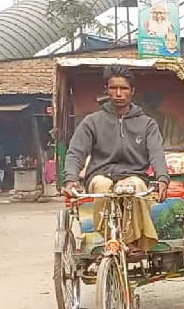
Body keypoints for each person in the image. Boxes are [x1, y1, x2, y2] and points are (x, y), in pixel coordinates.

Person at [62, 66, 170, 251]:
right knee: (103, 186)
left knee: (133, 187)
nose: (118, 93)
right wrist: (71, 179)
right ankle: (108, 239)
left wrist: (162, 178)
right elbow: (76, 152)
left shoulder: (147, 124)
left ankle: (133, 242)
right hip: (100, 175)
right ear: (107, 90)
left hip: (134, 175)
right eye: (113, 88)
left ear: (132, 91)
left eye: (124, 88)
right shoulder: (92, 121)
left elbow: (156, 152)